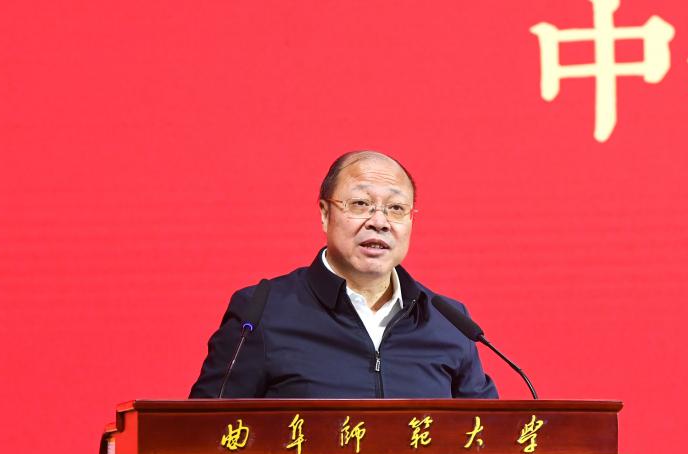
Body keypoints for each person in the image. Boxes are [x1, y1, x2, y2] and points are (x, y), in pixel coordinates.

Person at [189, 150, 498, 399]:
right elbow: (203, 433)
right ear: (325, 214)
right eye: (361, 204)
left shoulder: (449, 322)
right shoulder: (262, 312)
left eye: (396, 208)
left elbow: (487, 437)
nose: (379, 222)